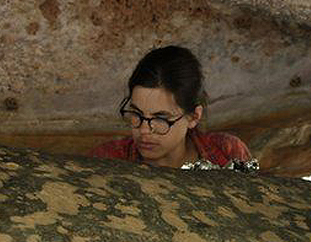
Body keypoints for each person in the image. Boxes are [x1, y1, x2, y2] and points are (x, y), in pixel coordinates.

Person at [88, 46, 255, 171]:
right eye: (137, 114)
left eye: (160, 118)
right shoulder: (107, 160)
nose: (144, 130)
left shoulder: (227, 153)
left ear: (193, 117)